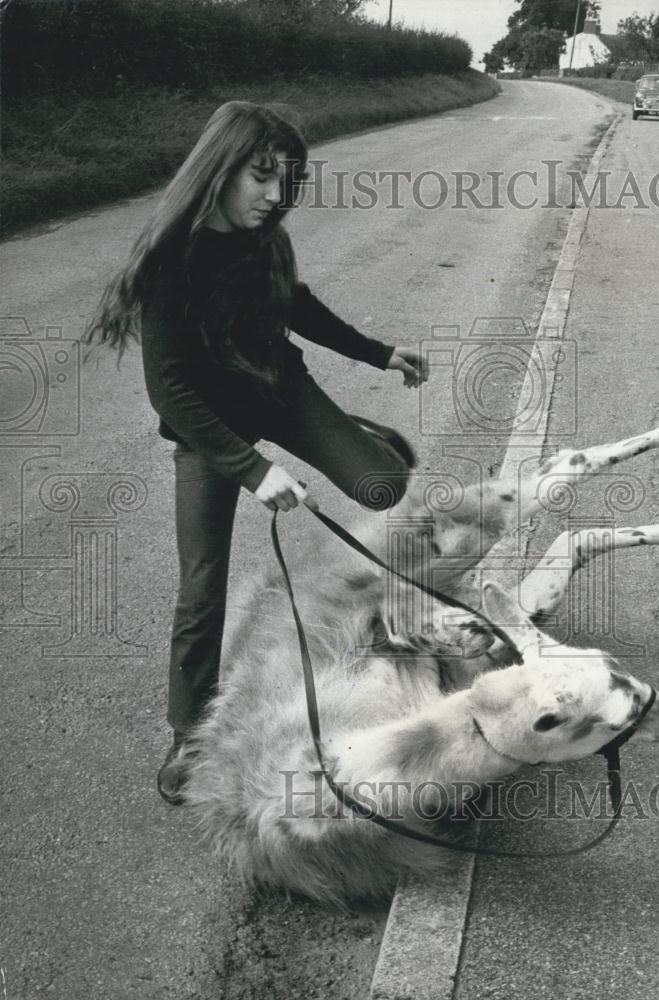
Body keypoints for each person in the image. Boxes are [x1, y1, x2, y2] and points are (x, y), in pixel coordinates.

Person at [85, 101, 428, 805]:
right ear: (220, 170)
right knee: (201, 588)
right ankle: (187, 733)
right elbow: (170, 391)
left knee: (384, 485)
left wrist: (379, 352)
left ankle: (352, 436)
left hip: (279, 392)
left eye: (287, 180)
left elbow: (296, 305)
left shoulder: (264, 240)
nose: (275, 195)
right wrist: (252, 468)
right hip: (208, 431)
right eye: (262, 176)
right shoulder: (172, 261)